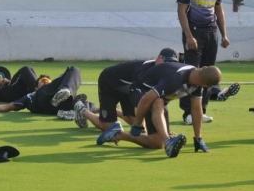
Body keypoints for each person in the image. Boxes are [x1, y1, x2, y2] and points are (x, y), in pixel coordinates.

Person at [96, 62, 224, 157]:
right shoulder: (176, 78)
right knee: (158, 102)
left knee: (156, 143)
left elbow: (196, 109)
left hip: (157, 98)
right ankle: (168, 141)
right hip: (139, 90)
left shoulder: (198, 83)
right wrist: (138, 124)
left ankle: (117, 134)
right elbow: (147, 98)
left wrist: (198, 138)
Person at [176, 0, 230, 126]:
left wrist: (224, 34)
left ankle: (202, 110)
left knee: (207, 72)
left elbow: (219, 11)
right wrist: (189, 36)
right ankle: (188, 113)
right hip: (194, 32)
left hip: (211, 32)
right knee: (192, 72)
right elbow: (182, 11)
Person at [74, 48, 180, 132]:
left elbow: (160, 102)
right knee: (108, 127)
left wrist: (165, 131)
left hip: (127, 88)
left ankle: (110, 110)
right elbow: (142, 101)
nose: (168, 66)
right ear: (159, 59)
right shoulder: (143, 71)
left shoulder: (160, 74)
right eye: (167, 62)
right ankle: (82, 110)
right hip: (109, 82)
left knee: (135, 122)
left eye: (171, 64)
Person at [0, 66, 84, 117]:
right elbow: (8, 106)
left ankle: (71, 109)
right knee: (26, 69)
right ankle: (66, 94)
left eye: (47, 81)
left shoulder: (28, 96)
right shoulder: (31, 96)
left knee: (81, 103)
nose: (1, 76)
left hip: (55, 106)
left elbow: (9, 106)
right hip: (41, 98)